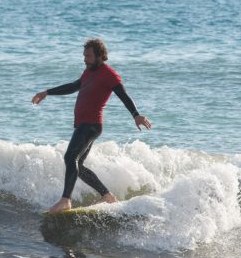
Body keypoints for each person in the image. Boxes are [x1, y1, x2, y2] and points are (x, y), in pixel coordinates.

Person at [32, 39, 152, 213]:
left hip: (91, 125)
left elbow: (123, 95)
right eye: (84, 55)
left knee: (70, 157)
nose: (85, 59)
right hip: (83, 124)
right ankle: (107, 196)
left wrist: (136, 114)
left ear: (99, 56)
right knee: (78, 165)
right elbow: (74, 86)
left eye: (88, 56)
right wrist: (47, 92)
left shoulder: (109, 74)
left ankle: (65, 200)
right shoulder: (88, 72)